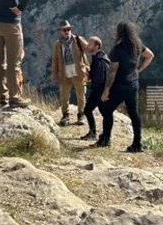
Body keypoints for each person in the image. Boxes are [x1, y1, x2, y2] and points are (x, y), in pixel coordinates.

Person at [95, 21, 155, 152]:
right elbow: (150, 56)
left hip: (120, 86)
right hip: (133, 84)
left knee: (106, 110)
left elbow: (112, 72)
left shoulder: (117, 49)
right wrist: (138, 70)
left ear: (120, 32)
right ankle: (137, 144)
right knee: (134, 113)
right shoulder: (138, 45)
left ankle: (105, 139)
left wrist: (106, 90)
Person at [51, 20, 90, 126]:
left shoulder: (78, 40)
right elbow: (55, 60)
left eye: (68, 29)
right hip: (64, 72)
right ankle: (65, 115)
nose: (67, 31)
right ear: (61, 31)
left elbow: (88, 48)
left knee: (81, 95)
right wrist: (54, 74)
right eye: (64, 30)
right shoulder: (57, 44)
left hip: (78, 71)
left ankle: (81, 115)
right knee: (64, 96)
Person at [80, 36, 110, 141]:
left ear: (97, 46)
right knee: (105, 113)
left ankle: (94, 134)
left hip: (98, 91)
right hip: (101, 91)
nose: (87, 46)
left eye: (90, 44)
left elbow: (99, 78)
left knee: (87, 110)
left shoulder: (99, 60)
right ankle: (103, 135)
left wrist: (88, 76)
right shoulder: (99, 58)